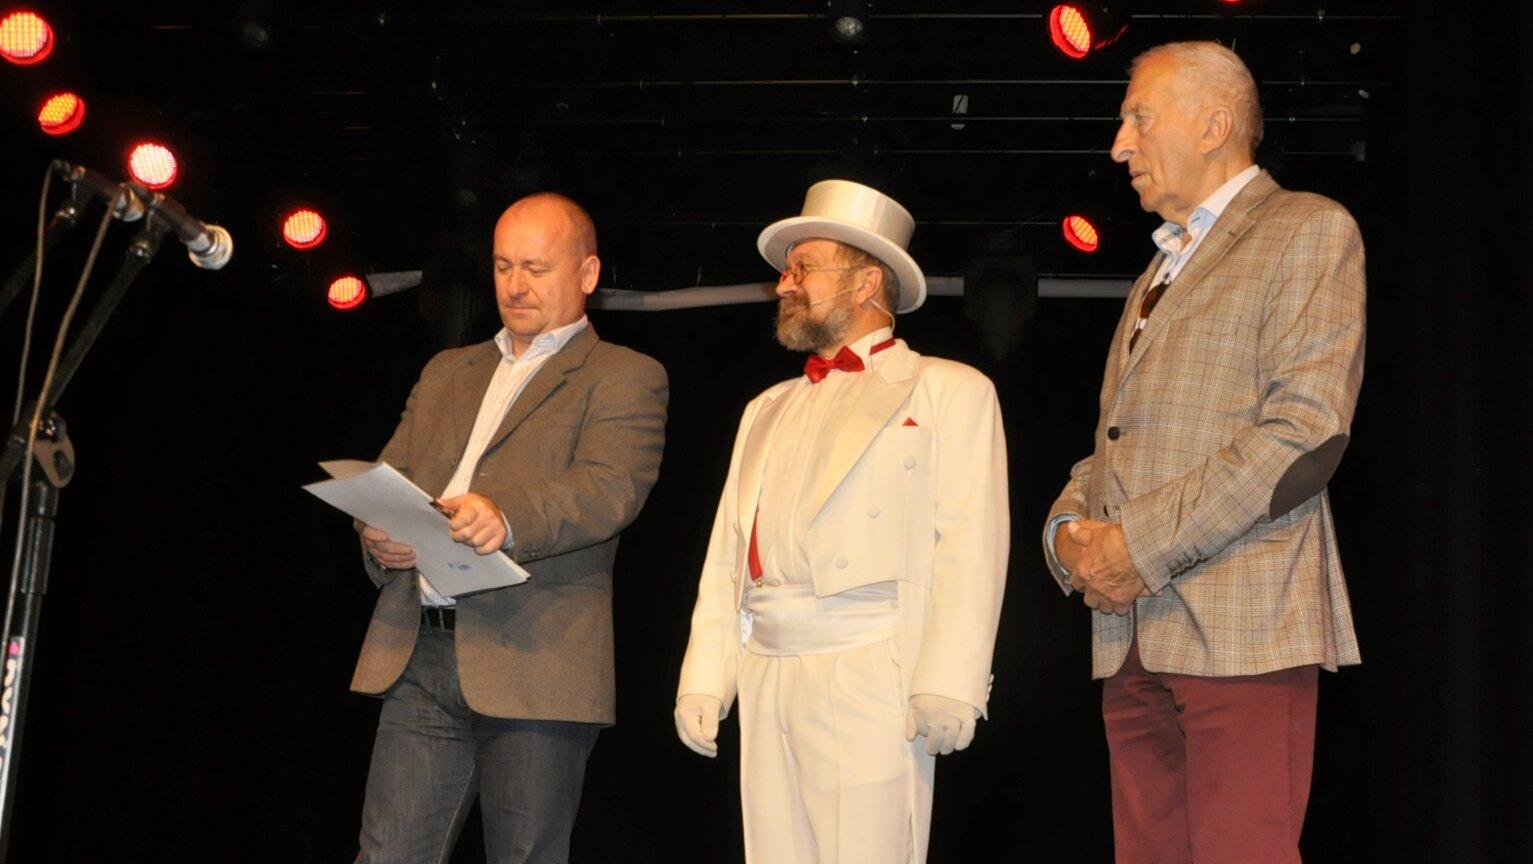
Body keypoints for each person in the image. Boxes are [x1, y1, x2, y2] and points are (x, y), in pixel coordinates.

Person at [1042, 41, 1365, 863]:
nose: (1119, 144)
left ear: (1213, 125)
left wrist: (1137, 546)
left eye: (1138, 118)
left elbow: (1303, 432)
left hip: (1243, 623)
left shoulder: (1306, 228)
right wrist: (1067, 533)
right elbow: (1113, 443)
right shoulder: (1157, 268)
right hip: (1130, 633)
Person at [674, 179, 1009, 863]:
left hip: (869, 663)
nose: (783, 284)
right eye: (786, 271)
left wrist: (950, 680)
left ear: (866, 282)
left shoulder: (948, 390)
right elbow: (727, 554)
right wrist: (705, 673)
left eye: (803, 268)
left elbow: (970, 544)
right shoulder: (765, 407)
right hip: (766, 660)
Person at [348, 192, 668, 864]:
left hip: (537, 658)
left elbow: (610, 488)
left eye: (535, 268)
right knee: (386, 855)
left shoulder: (624, 375)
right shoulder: (447, 371)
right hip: (421, 653)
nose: (515, 286)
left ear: (587, 273)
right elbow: (389, 476)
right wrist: (377, 532)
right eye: (501, 267)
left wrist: (508, 515)